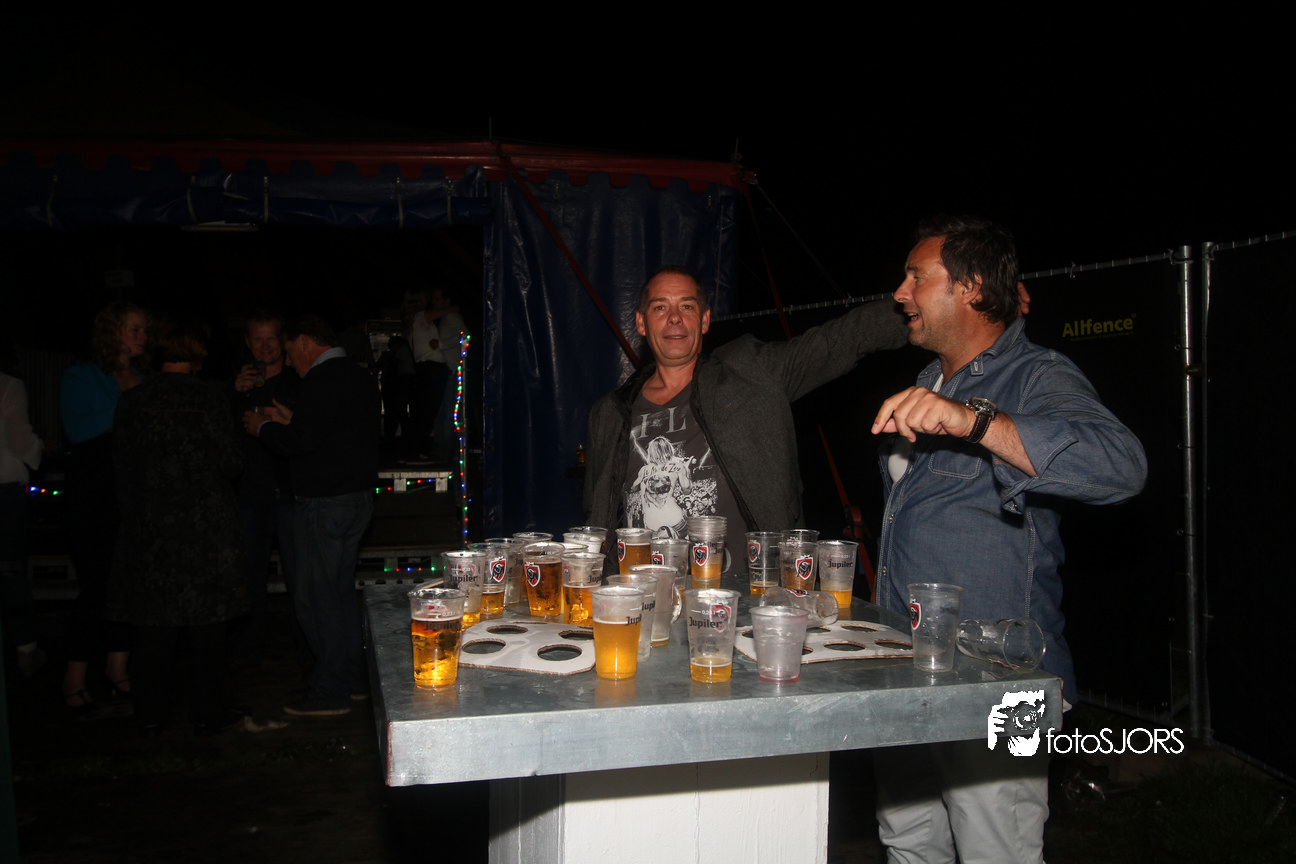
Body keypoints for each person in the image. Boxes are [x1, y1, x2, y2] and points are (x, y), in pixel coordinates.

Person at [869, 216, 1147, 863]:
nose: (900, 293)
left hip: (1004, 679)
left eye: (915, 277)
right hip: (902, 665)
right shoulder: (927, 382)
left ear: (969, 286)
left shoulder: (1036, 374)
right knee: (907, 842)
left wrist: (975, 421)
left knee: (1001, 852)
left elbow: (1122, 465)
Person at [584, 265, 908, 573]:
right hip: (641, 593)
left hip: (742, 594)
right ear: (641, 323)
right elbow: (597, 513)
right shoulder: (610, 413)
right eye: (660, 307)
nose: (674, 318)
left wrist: (918, 308)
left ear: (705, 319)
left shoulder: (750, 375)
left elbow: (838, 341)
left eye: (687, 306)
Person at [107, 316, 246, 736]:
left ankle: (150, 712)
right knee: (208, 627)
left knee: (154, 626)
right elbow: (231, 463)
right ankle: (209, 710)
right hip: (204, 528)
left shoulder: (133, 401)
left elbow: (121, 470)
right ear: (197, 350)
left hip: (152, 529)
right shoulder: (208, 399)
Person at [243, 314, 379, 716]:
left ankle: (330, 690)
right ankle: (352, 679)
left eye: (289, 351)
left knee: (316, 600)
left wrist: (263, 427)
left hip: (325, 503)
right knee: (337, 594)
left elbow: (302, 442)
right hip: (355, 499)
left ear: (304, 342)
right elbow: (333, 435)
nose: (290, 362)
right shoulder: (358, 375)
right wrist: (291, 421)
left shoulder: (322, 378)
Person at [58, 300, 147, 715]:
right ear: (113, 332)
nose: (143, 337)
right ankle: (74, 675)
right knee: (97, 585)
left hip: (132, 496)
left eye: (144, 329)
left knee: (128, 585)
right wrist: (131, 403)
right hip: (93, 497)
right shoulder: (80, 376)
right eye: (135, 329)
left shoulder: (145, 379)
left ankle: (117, 667)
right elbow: (78, 429)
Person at [229, 311, 303, 670]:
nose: (264, 346)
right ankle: (248, 652)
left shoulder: (297, 382)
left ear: (282, 340)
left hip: (289, 492)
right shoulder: (236, 385)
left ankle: (306, 651)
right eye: (257, 339)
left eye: (270, 338)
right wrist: (233, 395)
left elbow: (309, 436)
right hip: (250, 493)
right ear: (247, 343)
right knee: (248, 578)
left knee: (299, 578)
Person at [1, 354, 44, 677]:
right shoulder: (8, 385)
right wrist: (38, 449)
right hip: (4, 490)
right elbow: (19, 439)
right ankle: (25, 646)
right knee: (9, 570)